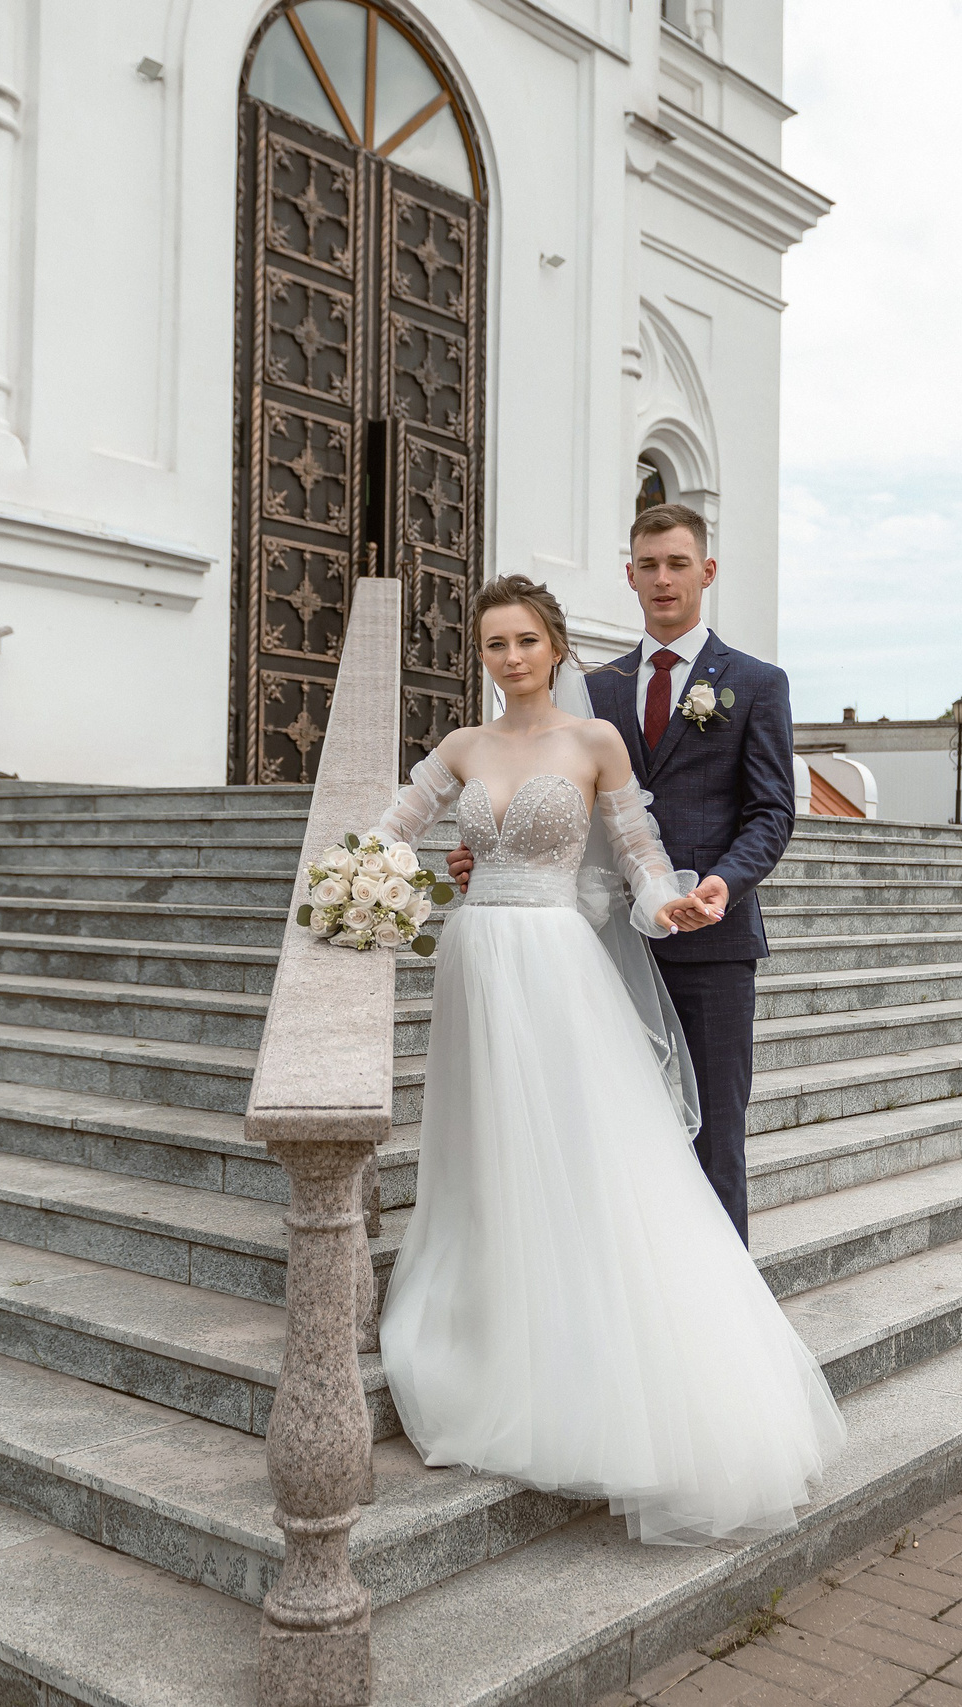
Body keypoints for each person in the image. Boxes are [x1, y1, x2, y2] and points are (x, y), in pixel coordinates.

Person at [368, 574, 843, 1546]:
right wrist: (359, 885)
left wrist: (671, 899)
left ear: (554, 647)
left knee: (576, 1154)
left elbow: (634, 849)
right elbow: (390, 831)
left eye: (524, 641)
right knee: (483, 1150)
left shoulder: (594, 743)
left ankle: (587, 1349)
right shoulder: (461, 747)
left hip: (553, 963)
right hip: (471, 963)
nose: (508, 658)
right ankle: (488, 1322)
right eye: (492, 644)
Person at [445, 503, 792, 1242]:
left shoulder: (757, 683)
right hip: (592, 951)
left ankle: (719, 1312)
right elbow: (554, 799)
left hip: (709, 945)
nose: (662, 579)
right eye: (647, 565)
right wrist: (493, 847)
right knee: (603, 1135)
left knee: (713, 1140)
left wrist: (724, 883)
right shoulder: (592, 690)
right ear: (628, 575)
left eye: (676, 563)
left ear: (707, 571)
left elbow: (771, 812)